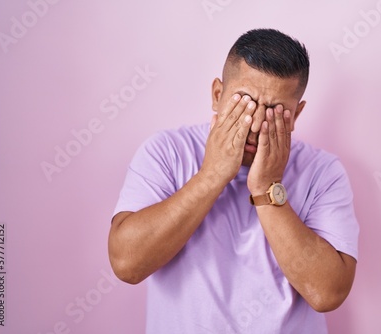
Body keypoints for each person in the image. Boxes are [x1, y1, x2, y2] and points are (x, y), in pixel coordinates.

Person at [108, 28, 359, 334]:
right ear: (217, 94)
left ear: (296, 114)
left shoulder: (323, 172)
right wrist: (212, 174)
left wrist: (267, 188)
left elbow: (327, 293)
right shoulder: (166, 152)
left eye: (274, 112)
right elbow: (126, 264)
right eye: (245, 103)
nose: (254, 124)